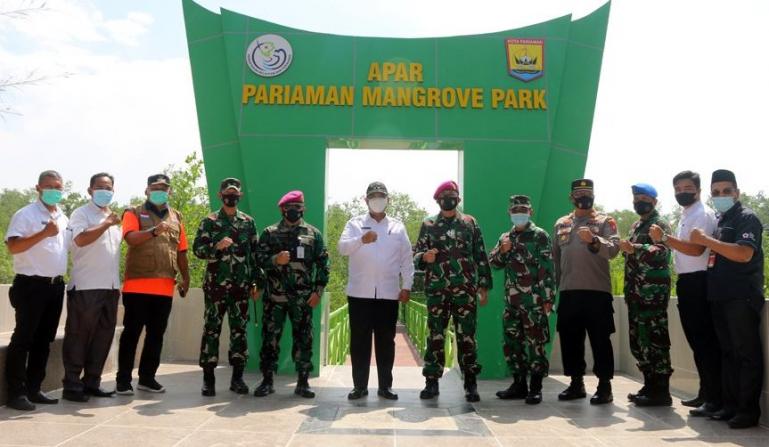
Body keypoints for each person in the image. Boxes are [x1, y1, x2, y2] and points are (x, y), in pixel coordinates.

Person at [688, 169, 764, 429]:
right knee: (728, 354)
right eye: (716, 192)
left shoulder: (746, 218)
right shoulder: (721, 221)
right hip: (720, 297)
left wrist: (706, 240)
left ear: (737, 193)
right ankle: (730, 406)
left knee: (746, 354)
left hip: (741, 297)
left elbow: (743, 254)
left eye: (726, 191)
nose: (721, 196)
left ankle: (748, 410)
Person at [649, 170, 721, 416]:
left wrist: (665, 238)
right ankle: (706, 392)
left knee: (705, 342)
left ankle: (714, 398)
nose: (682, 192)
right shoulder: (687, 214)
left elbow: (696, 250)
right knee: (696, 342)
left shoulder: (701, 214)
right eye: (678, 189)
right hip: (687, 282)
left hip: (700, 282)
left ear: (698, 190)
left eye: (687, 188)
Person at [413, 180, 492, 402]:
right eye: (445, 195)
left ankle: (470, 383)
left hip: (465, 290)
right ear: (438, 200)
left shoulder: (469, 223)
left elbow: (480, 255)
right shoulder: (428, 224)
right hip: (437, 291)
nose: (449, 198)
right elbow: (417, 254)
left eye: (453, 194)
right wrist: (424, 258)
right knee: (435, 336)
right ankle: (431, 382)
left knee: (467, 336)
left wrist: (483, 285)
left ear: (458, 199)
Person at [338, 181, 414, 400]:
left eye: (381, 196)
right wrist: (361, 239)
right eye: (373, 197)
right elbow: (342, 248)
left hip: (389, 294)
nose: (377, 200)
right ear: (366, 200)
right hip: (359, 293)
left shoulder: (398, 226)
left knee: (386, 341)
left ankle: (385, 386)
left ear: (388, 199)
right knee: (359, 341)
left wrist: (407, 286)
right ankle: (359, 387)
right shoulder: (354, 223)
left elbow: (406, 259)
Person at [115, 173, 190, 395]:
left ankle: (147, 378)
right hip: (137, 285)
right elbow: (130, 239)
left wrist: (186, 278)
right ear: (146, 190)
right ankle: (123, 380)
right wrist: (154, 231)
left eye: (164, 188)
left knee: (156, 335)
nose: (160, 191)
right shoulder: (133, 212)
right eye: (155, 188)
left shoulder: (176, 217)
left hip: (165, 286)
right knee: (132, 333)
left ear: (170, 192)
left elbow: (182, 251)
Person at [253, 191, 329, 398]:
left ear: (304, 208)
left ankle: (303, 382)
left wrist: (318, 291)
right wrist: (275, 260)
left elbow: (323, 264)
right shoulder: (270, 233)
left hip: (302, 299)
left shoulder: (313, 234)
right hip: (274, 298)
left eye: (298, 206)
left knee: (304, 339)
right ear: (282, 209)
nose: (294, 210)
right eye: (290, 207)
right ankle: (267, 381)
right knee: (270, 340)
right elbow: (258, 260)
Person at [4, 170, 69, 411]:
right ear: (38, 188)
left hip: (55, 286)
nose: (55, 190)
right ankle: (16, 393)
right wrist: (43, 233)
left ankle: (34, 388)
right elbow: (13, 246)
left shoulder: (63, 216)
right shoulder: (26, 214)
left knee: (44, 340)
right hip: (31, 285)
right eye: (49, 186)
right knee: (23, 338)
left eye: (58, 187)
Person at [193, 178, 264, 397]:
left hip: (240, 287)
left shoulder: (248, 222)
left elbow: (255, 255)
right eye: (227, 193)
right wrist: (217, 246)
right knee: (212, 329)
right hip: (215, 287)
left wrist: (257, 282)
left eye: (235, 193)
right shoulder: (210, 221)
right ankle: (208, 379)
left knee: (239, 331)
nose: (231, 196)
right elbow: (198, 250)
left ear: (239, 196)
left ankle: (237, 378)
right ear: (220, 195)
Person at [553, 179, 619, 405]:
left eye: (587, 193)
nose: (584, 197)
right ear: (571, 198)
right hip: (569, 291)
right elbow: (556, 259)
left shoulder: (604, 221)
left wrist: (594, 240)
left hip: (597, 292)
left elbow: (613, 250)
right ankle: (576, 383)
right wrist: (555, 289)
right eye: (579, 193)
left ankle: (604, 386)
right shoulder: (561, 222)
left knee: (600, 339)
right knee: (570, 339)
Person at [489, 195, 555, 405]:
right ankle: (518, 384)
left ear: (530, 212)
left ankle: (535, 388)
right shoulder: (505, 237)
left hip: (534, 302)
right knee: (512, 344)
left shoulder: (540, 236)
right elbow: (494, 263)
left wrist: (548, 299)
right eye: (516, 210)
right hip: (512, 303)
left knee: (536, 344)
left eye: (523, 210)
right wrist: (502, 250)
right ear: (510, 213)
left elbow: (548, 269)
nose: (519, 214)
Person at [61, 173, 122, 402]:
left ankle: (92, 382)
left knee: (103, 336)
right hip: (86, 286)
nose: (105, 191)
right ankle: (72, 385)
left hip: (110, 287)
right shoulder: (81, 213)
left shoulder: (113, 218)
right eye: (100, 187)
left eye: (109, 187)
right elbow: (80, 240)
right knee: (78, 336)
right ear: (90, 190)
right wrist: (106, 224)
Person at [619, 183, 673, 407]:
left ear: (654, 201)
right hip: (636, 293)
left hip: (652, 295)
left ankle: (661, 391)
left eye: (643, 198)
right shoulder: (636, 225)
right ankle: (649, 384)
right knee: (639, 341)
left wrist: (636, 249)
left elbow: (663, 251)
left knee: (655, 341)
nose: (639, 201)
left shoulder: (659, 224)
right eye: (636, 198)